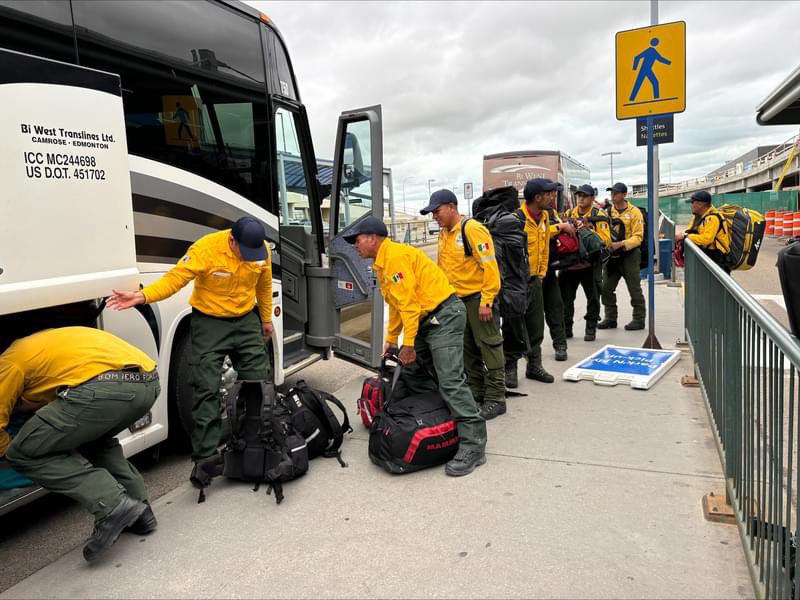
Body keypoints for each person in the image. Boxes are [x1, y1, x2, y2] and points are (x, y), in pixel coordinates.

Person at [107, 217, 273, 486]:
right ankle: (206, 458)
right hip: (210, 322)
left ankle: (256, 443)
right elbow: (176, 279)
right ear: (232, 241)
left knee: (258, 380)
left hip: (245, 319)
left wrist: (265, 319)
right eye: (245, 253)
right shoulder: (205, 249)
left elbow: (264, 285)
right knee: (205, 387)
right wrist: (142, 296)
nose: (250, 258)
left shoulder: (259, 249)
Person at [1, 327, 160, 562]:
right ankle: (140, 512)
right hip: (148, 382)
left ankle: (112, 504)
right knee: (92, 439)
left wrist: (11, 453)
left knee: (22, 454)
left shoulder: (7, 363)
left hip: (104, 389)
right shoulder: (41, 345)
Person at [344, 215, 487, 476]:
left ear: (373, 239)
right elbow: (398, 306)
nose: (354, 245)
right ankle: (438, 421)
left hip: (443, 316)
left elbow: (409, 307)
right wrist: (391, 340)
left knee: (451, 380)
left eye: (357, 240)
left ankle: (474, 445)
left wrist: (407, 345)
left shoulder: (395, 258)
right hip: (426, 319)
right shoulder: (382, 262)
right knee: (415, 373)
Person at [421, 189, 505, 421]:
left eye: (437, 211)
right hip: (456, 302)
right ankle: (477, 393)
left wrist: (487, 301)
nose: (434, 217)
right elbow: (442, 269)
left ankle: (496, 398)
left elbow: (490, 268)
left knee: (489, 345)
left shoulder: (472, 229)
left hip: (478, 299)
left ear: (451, 207)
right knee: (467, 349)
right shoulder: (444, 234)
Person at [504, 178, 572, 387]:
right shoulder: (515, 219)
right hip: (516, 284)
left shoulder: (544, 218)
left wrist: (541, 274)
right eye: (549, 194)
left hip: (535, 280)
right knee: (513, 327)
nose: (553, 197)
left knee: (535, 327)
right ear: (537, 197)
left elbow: (543, 248)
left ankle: (534, 366)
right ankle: (510, 368)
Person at [560, 185, 612, 342]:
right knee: (566, 298)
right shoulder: (569, 214)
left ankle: (591, 327)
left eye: (585, 196)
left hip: (591, 264)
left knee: (594, 297)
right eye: (579, 196)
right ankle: (566, 327)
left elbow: (606, 241)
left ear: (591, 198)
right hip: (570, 264)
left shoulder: (599, 215)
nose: (581, 198)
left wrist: (587, 230)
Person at [599, 182, 646, 331]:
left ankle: (639, 319)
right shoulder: (607, 212)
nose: (612, 196)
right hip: (612, 256)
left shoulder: (635, 213)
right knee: (606, 288)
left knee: (634, 288)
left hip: (629, 254)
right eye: (611, 193)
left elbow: (638, 237)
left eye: (616, 193)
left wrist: (621, 244)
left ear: (624, 195)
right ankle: (610, 318)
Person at [541, 182, 570, 361]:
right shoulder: (521, 216)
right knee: (531, 317)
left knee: (555, 309)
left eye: (554, 194)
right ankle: (529, 355)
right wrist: (558, 228)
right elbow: (539, 233)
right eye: (550, 194)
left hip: (549, 269)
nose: (553, 197)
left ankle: (560, 345)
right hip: (531, 275)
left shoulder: (550, 214)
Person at [677, 191, 731, 272]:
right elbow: (689, 231)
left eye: (693, 203)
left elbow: (707, 239)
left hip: (717, 259)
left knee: (714, 284)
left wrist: (685, 236)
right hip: (708, 256)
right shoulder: (697, 217)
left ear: (700, 204)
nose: (691, 206)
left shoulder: (713, 218)